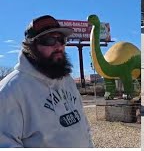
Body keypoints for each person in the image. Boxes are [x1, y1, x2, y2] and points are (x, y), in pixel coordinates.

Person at [0, 15, 93, 147]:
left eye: (61, 40)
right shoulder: (10, 91)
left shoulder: (67, 80)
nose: (58, 46)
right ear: (30, 46)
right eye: (49, 40)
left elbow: (83, 126)